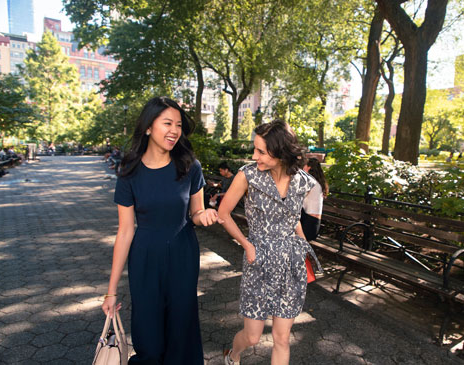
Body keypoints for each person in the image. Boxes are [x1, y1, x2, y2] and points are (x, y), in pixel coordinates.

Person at [101, 96, 221, 364]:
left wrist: (207, 215)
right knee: (149, 341)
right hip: (144, 260)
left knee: (181, 334)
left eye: (178, 125)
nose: (174, 131)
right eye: (167, 123)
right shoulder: (129, 171)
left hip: (183, 256)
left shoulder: (190, 166)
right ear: (148, 127)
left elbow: (196, 213)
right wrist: (111, 291)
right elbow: (124, 231)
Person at [218, 119, 322, 365]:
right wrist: (247, 245)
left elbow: (294, 217)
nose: (255, 156)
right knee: (253, 337)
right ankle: (233, 355)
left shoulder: (304, 182)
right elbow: (223, 214)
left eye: (261, 151)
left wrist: (303, 249)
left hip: (290, 263)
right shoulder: (248, 175)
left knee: (282, 338)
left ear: (281, 151)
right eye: (255, 149)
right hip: (259, 260)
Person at [300, 158, 328, 242]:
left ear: (308, 167)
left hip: (309, 226)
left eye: (303, 166)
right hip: (313, 223)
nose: (302, 168)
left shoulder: (311, 182)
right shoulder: (317, 182)